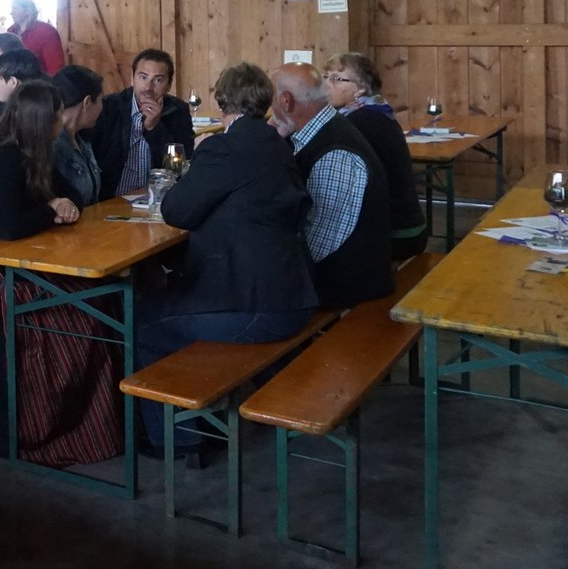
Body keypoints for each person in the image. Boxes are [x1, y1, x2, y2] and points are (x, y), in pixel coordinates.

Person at [0, 82, 120, 465]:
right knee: (76, 315)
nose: (62, 123)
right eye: (57, 117)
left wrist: (60, 203)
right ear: (41, 122)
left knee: (100, 296)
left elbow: (69, 195)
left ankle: (84, 422)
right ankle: (41, 429)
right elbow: (8, 227)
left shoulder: (35, 153)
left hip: (6, 263)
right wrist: (51, 210)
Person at [133, 62, 318, 457]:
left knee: (144, 320)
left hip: (256, 307)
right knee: (171, 302)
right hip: (293, 293)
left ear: (221, 102)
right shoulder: (277, 144)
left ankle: (177, 440)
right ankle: (198, 418)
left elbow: (177, 210)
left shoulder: (224, 148)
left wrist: (201, 157)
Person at [271, 63, 393, 308]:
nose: (269, 107)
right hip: (339, 279)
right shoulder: (320, 130)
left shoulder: (336, 154)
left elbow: (320, 248)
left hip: (344, 287)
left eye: (270, 99)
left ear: (285, 101)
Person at [325, 52, 428, 259]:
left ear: (360, 89)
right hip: (406, 225)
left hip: (395, 233)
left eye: (336, 79)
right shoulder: (372, 111)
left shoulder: (362, 121)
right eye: (325, 76)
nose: (326, 84)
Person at [91, 48, 196, 200]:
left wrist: (154, 128)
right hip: (111, 198)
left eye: (158, 80)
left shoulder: (178, 111)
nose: (148, 88)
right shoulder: (109, 107)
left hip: (156, 199)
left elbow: (177, 167)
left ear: (169, 84)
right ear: (132, 79)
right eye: (143, 77)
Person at [51, 65, 105, 207]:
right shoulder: (53, 145)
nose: (102, 107)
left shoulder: (82, 138)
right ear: (87, 102)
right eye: (100, 100)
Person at [8, 0, 63, 75]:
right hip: (13, 79)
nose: (11, 13)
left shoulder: (46, 31)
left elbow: (55, 65)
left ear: (27, 11)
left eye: (15, 9)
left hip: (38, 80)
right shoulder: (11, 31)